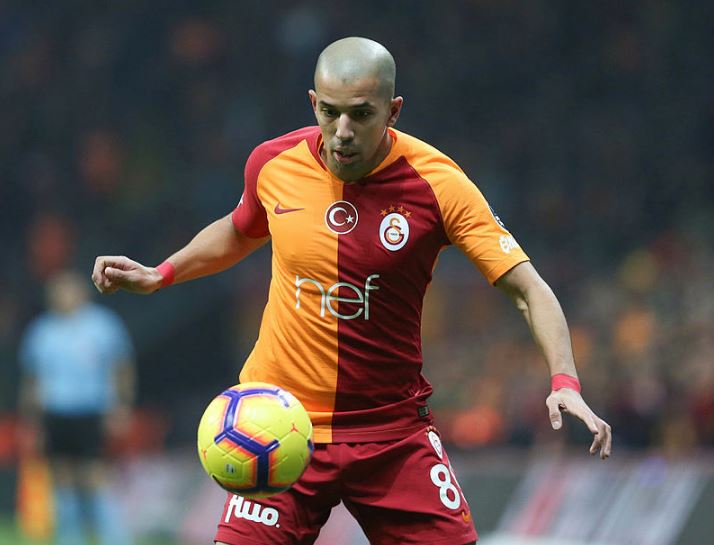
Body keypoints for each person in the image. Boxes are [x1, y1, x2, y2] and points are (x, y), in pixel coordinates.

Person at [92, 37, 612, 545]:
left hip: (392, 435)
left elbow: (528, 289)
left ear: (393, 111)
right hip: (278, 423)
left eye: (361, 115)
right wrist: (162, 273)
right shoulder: (273, 163)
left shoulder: (439, 184)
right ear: (313, 103)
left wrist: (565, 380)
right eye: (330, 112)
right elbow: (240, 229)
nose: (342, 132)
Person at [19, 270, 135, 545]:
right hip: (56, 412)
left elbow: (121, 368)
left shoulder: (103, 325)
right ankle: (70, 538)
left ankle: (113, 537)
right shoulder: (42, 331)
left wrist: (121, 405)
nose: (63, 296)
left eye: (68, 290)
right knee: (62, 477)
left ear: (82, 293)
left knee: (94, 475)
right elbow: (33, 380)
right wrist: (31, 421)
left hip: (90, 410)